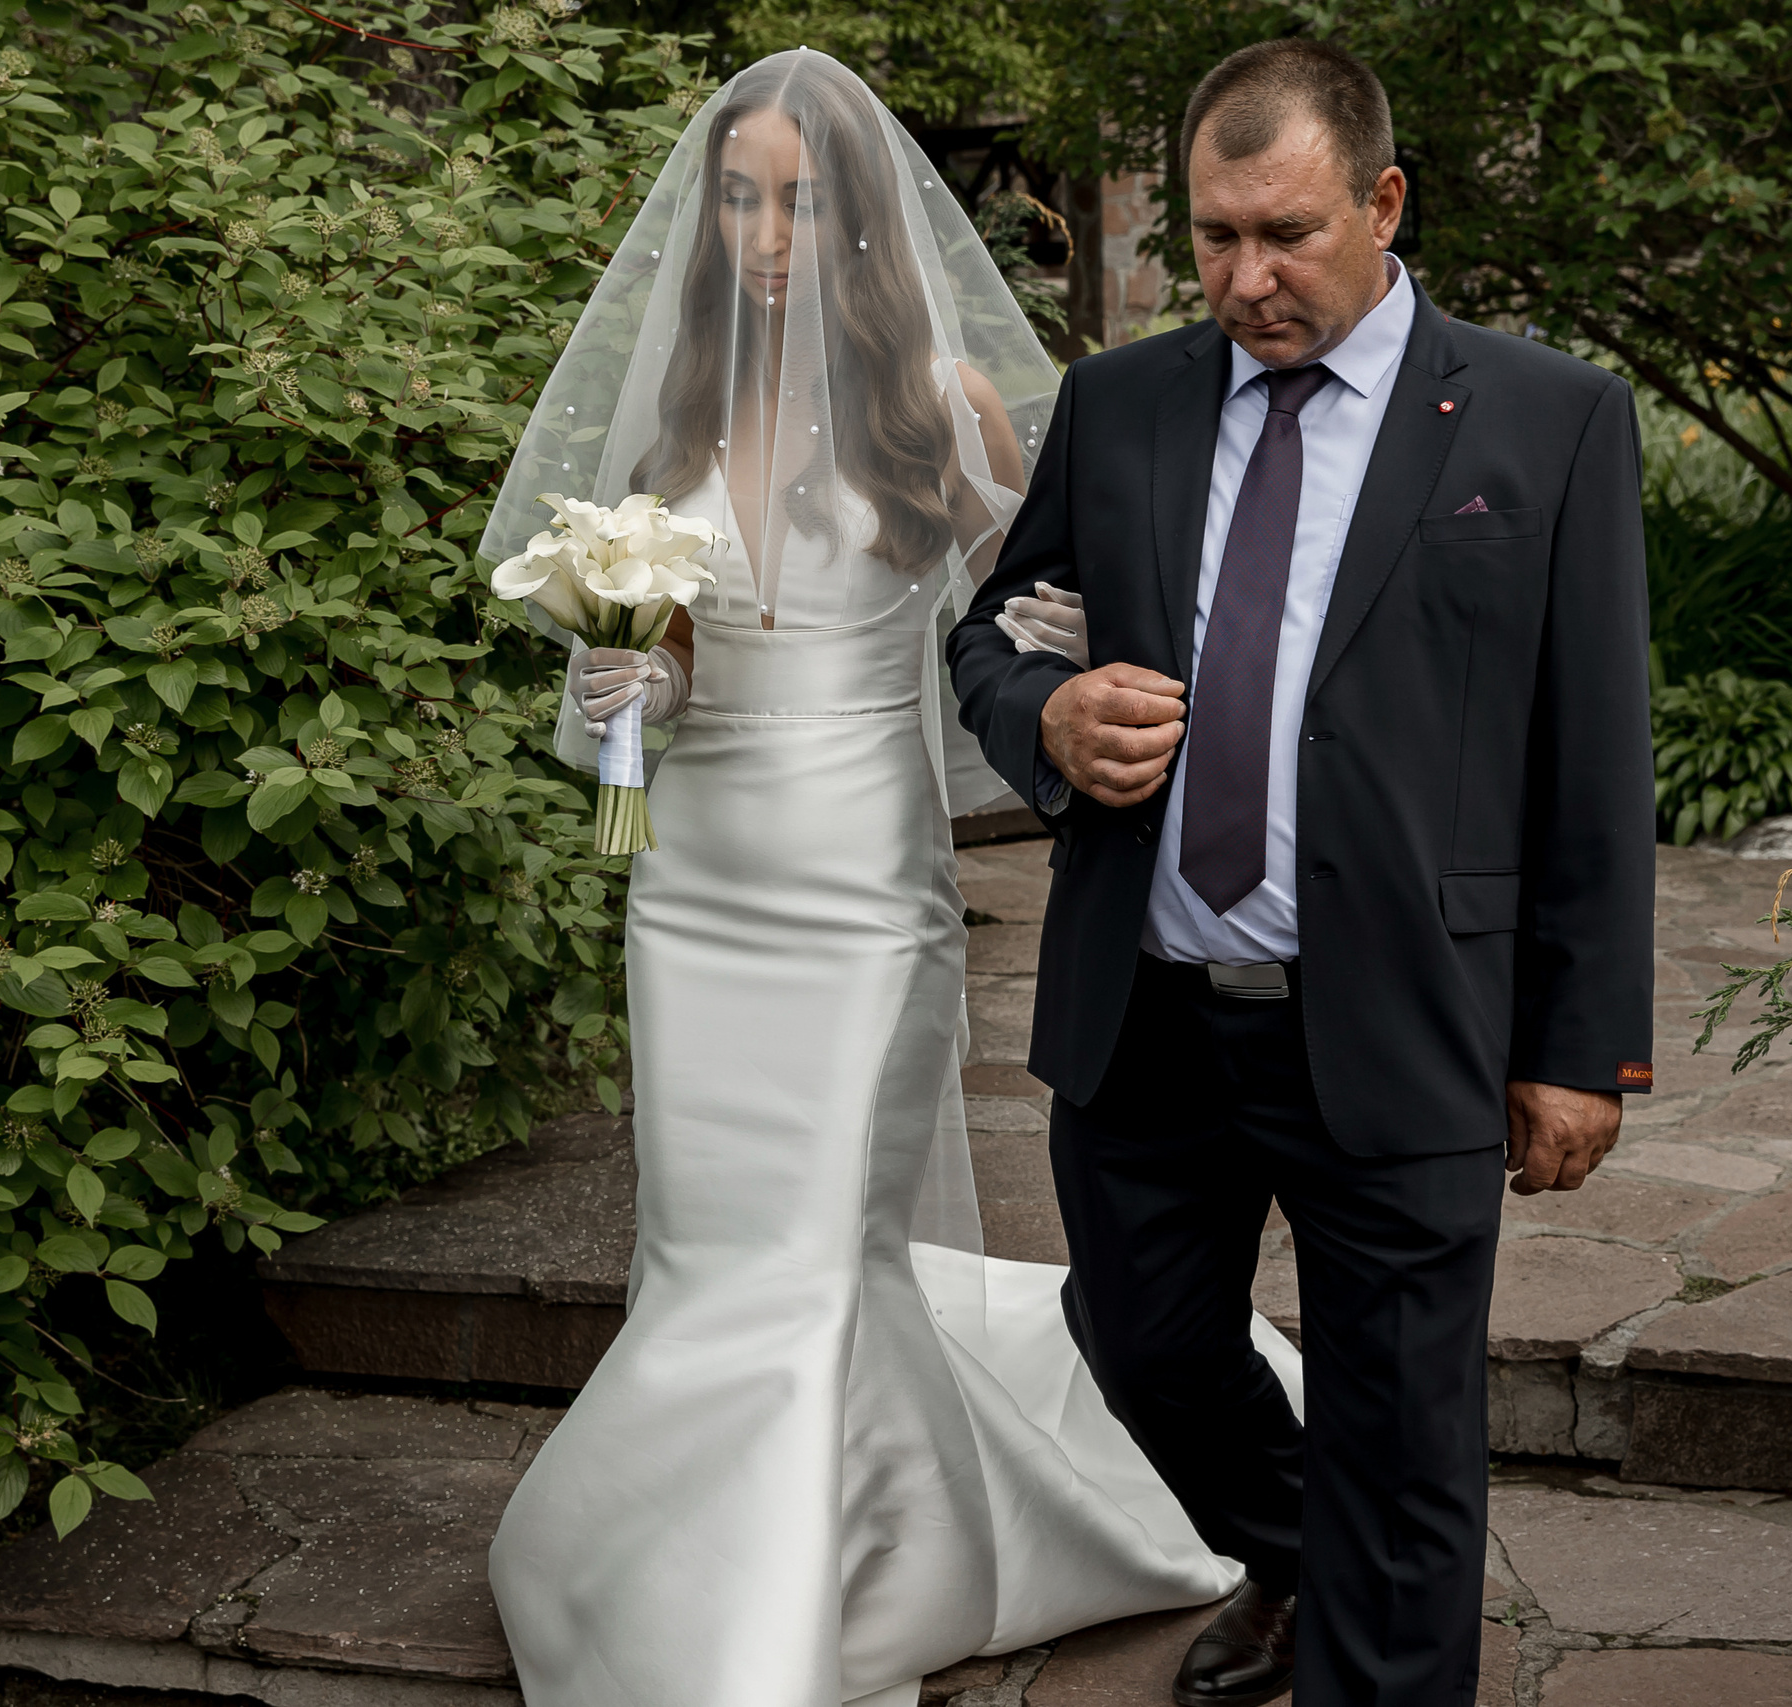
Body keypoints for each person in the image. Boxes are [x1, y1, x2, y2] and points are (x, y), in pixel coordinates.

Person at [479, 48, 1303, 1707]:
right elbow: (661, 675)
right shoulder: (680, 406)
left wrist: (1098, 729)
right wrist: (622, 693)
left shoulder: (942, 397)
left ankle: (777, 1617)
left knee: (811, 1248)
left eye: (799, 198)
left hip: (862, 890)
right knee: (713, 1249)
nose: (767, 232)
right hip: (696, 890)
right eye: (739, 196)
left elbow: (1024, 626)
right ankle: (684, 1565)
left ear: (860, 214)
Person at [949, 39, 1654, 1707]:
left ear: (1384, 203)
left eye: (1288, 235)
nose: (1248, 279)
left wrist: (1580, 1043)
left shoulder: (1549, 419)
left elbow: (1595, 754)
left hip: (1406, 1018)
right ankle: (1294, 1553)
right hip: (1151, 1014)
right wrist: (1046, 715)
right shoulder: (1119, 406)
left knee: (1409, 1447)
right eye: (1214, 240)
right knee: (1144, 1350)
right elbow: (997, 630)